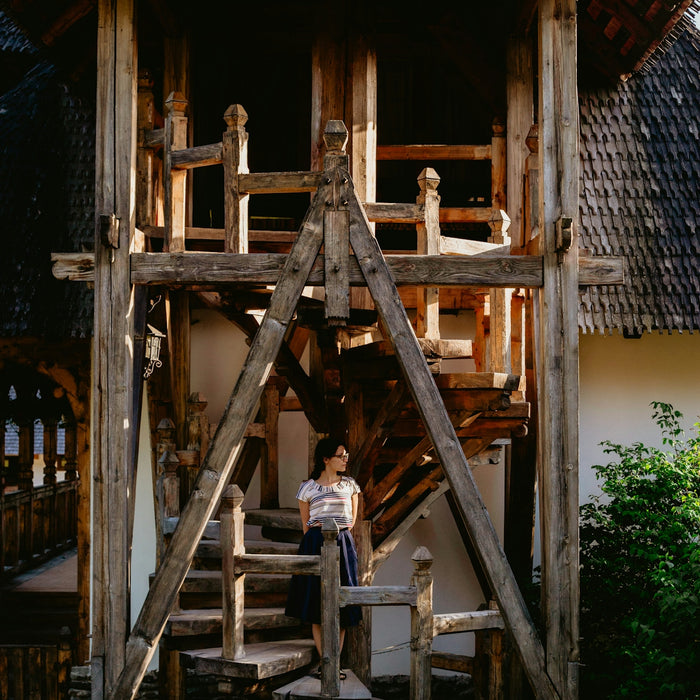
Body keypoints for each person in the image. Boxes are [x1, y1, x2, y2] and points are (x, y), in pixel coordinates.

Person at [285, 436, 362, 680]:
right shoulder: (307, 488)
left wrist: (340, 539)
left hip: (342, 542)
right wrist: (317, 542)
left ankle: (335, 662)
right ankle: (324, 660)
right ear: (326, 459)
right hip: (314, 543)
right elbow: (306, 526)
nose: (345, 460)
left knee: (343, 603)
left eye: (346, 455)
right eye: (341, 456)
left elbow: (351, 522)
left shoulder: (350, 486)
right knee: (315, 602)